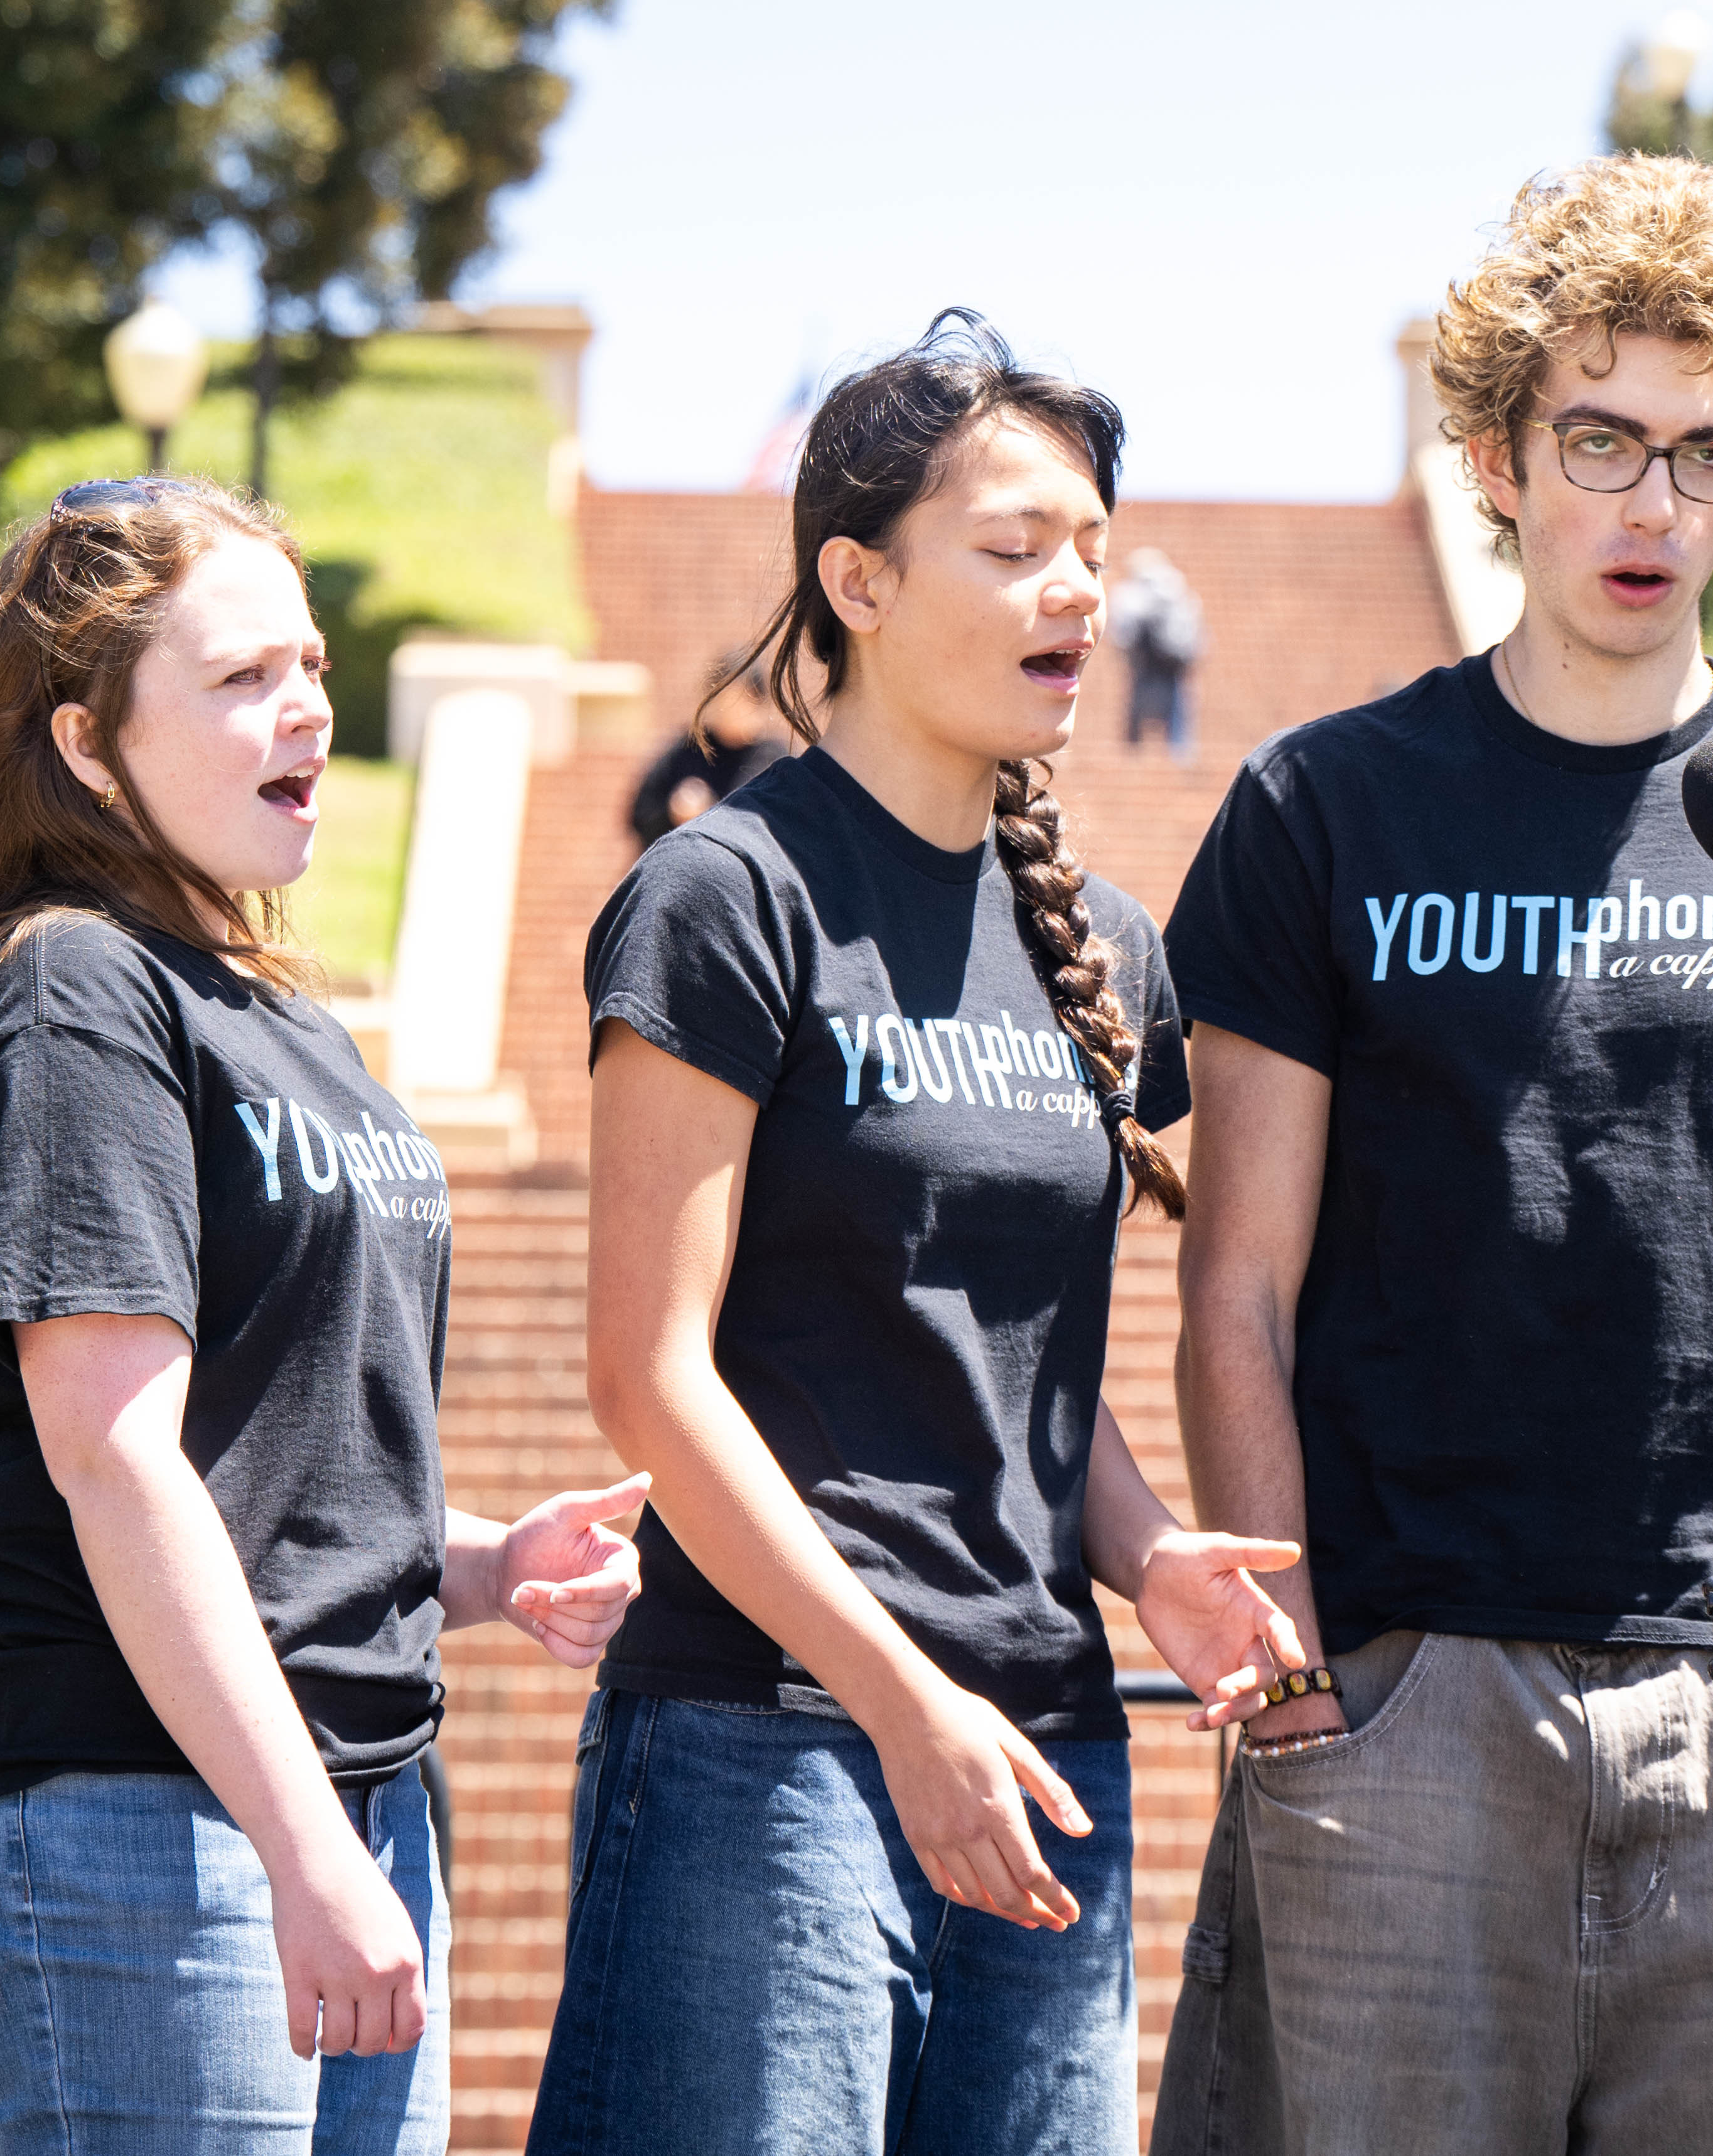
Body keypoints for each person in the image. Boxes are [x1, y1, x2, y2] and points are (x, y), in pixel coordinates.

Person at [1152, 156, 1713, 2155]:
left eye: (1706, 453)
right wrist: (1301, 1689)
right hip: (1405, 1677)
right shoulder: (1321, 805)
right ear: (1495, 456)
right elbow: (1234, 1284)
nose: (1654, 507)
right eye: (1602, 439)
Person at [526, 312, 1308, 2156]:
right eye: (1018, 546)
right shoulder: (728, 895)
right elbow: (648, 1374)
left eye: (1096, 555)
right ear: (858, 578)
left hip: (1045, 1750)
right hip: (772, 1740)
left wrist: (1149, 1557)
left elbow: (1028, 1383)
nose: (1077, 596)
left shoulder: (1106, 941)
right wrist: (902, 1700)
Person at [0, 475, 651, 2154]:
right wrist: (303, 1851)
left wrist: (482, 1563)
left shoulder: (280, 1022)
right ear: (83, 745)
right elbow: (120, 1454)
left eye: (312, 666)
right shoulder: (72, 990)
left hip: (329, 1802)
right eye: (239, 678)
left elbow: (259, 1444)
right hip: (129, 1808)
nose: (306, 711)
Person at [625, 650, 788, 846]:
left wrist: (709, 813)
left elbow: (778, 825)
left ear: (759, 703)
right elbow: (639, 815)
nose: (731, 711)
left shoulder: (774, 760)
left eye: (740, 701)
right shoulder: (689, 749)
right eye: (724, 699)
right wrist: (672, 813)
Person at [1110, 545, 1203, 758]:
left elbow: (1123, 631)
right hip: (1174, 662)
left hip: (1146, 662)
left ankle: (1133, 754)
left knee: (1138, 711)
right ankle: (1180, 755)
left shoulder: (1132, 592)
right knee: (1176, 711)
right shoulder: (1178, 588)